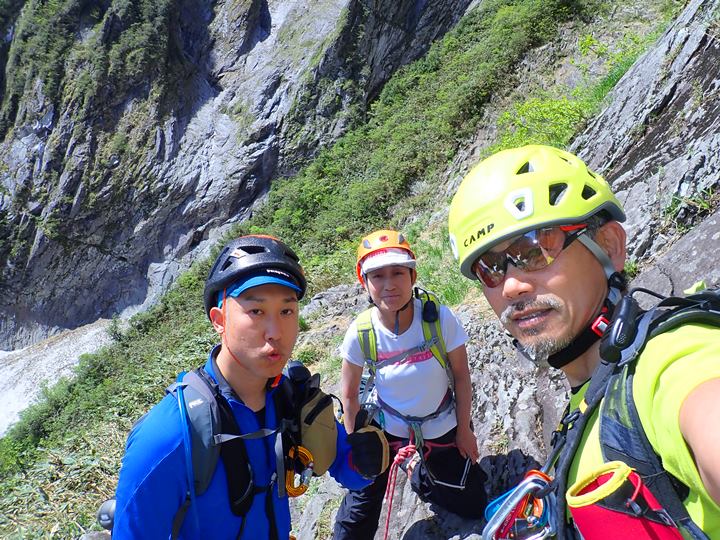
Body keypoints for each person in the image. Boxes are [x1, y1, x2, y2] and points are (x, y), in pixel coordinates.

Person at [448, 144, 720, 539]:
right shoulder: (590, 397)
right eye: (489, 268)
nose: (510, 286)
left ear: (609, 245)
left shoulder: (672, 362)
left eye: (535, 250)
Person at [112, 235, 389, 539]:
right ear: (219, 320)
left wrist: (364, 460)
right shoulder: (171, 435)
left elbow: (347, 466)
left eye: (287, 311)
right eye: (256, 311)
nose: (275, 332)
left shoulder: (289, 399)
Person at [332, 229, 488, 540]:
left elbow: (461, 376)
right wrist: (355, 445)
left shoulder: (438, 319)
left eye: (398, 273)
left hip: (440, 424)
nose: (389, 284)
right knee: (360, 505)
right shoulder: (361, 332)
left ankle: (417, 472)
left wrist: (464, 429)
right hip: (387, 429)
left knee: (473, 504)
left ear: (412, 276)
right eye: (377, 276)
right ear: (365, 283)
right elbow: (348, 395)